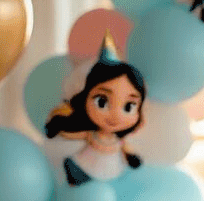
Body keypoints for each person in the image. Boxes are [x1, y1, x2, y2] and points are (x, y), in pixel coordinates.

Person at [44, 34, 145, 187]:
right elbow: (76, 133)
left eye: (128, 107)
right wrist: (60, 128)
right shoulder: (91, 134)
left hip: (113, 169)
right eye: (102, 102)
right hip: (87, 164)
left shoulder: (120, 141)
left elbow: (126, 150)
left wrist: (132, 157)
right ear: (85, 99)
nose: (116, 115)